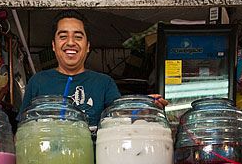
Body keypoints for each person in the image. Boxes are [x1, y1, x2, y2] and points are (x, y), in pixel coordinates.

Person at [19, 10, 167, 128]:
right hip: (46, 163)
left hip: (92, 162)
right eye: (63, 36)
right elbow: (21, 128)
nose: (70, 42)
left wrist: (143, 108)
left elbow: (120, 118)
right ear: (53, 45)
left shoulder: (104, 83)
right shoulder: (38, 81)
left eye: (78, 37)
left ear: (88, 46)